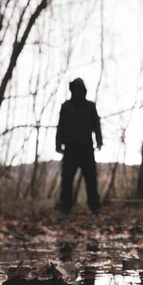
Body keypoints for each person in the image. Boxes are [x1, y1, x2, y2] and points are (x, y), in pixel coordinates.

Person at [56, 78, 102, 215]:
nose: (78, 93)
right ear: (72, 91)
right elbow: (60, 127)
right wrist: (58, 144)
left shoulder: (90, 107)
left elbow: (96, 125)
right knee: (67, 180)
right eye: (75, 90)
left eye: (80, 90)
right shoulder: (66, 107)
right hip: (70, 149)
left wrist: (99, 141)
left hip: (87, 148)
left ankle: (95, 207)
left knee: (91, 179)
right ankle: (65, 207)